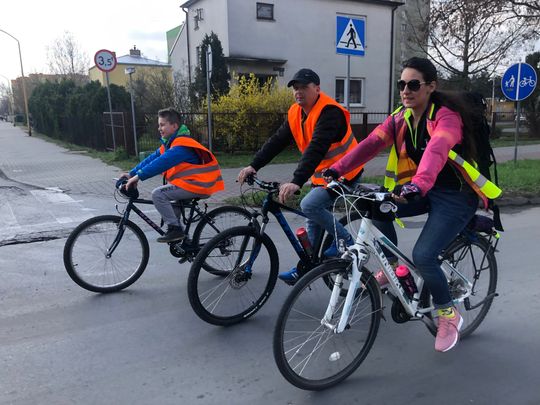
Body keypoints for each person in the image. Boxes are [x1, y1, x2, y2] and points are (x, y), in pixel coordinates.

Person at [323, 57, 501, 353]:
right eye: (401, 84)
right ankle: (394, 269)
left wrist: (418, 184)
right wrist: (337, 169)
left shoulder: (446, 118)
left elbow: (437, 149)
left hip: (456, 196)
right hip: (425, 189)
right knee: (375, 207)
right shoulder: (401, 117)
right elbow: (371, 143)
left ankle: (448, 313)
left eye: (413, 84)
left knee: (424, 254)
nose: (406, 90)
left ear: (431, 86)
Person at [237, 68, 364, 284]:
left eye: (304, 87)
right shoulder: (296, 113)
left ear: (317, 89)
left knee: (310, 205)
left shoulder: (330, 112)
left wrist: (297, 181)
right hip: (323, 176)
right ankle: (306, 268)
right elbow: (277, 141)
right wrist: (253, 165)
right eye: (295, 88)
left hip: (346, 172)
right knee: (312, 223)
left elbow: (316, 148)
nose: (298, 92)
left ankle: (345, 240)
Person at [122, 107, 224, 243]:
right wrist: (131, 173)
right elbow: (152, 159)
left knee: (158, 194)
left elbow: (160, 163)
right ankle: (184, 242)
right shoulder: (170, 144)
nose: (159, 128)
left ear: (174, 126)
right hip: (189, 184)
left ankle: (176, 230)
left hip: (197, 185)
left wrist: (138, 177)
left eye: (162, 125)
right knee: (173, 209)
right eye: (159, 125)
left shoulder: (182, 145)